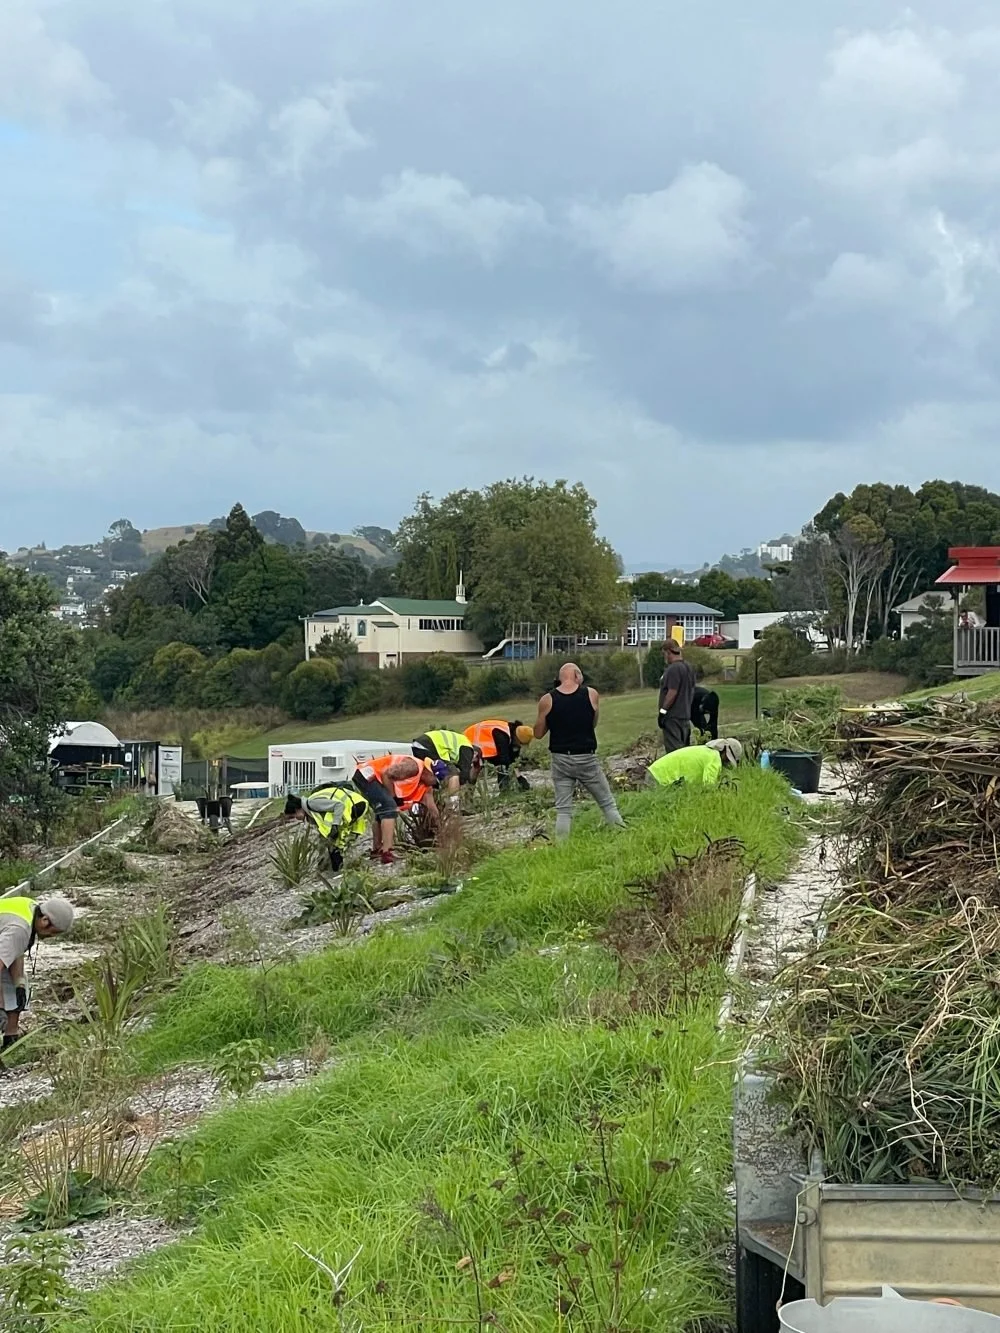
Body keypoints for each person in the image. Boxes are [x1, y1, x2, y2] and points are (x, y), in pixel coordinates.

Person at [534, 662, 624, 841]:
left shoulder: (547, 700)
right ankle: (622, 836)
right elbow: (593, 722)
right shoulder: (591, 694)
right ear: (577, 676)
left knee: (564, 810)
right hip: (586, 756)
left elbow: (538, 733)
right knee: (607, 803)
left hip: (561, 759)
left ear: (559, 678)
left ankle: (561, 850)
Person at [1, 895, 75, 1051]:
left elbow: (14, 951)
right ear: (45, 920)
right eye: (53, 933)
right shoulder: (20, 929)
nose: (51, 937)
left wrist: (19, 984)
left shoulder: (31, 908)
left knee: (18, 986)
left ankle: (11, 1037)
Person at [352, 754, 441, 863]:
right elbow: (386, 774)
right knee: (389, 809)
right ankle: (387, 853)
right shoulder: (413, 767)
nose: (434, 786)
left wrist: (440, 828)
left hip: (373, 778)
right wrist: (393, 797)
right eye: (435, 782)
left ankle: (377, 850)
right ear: (430, 774)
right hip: (367, 774)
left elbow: (431, 807)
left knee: (382, 812)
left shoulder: (425, 785)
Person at [284, 785, 370, 871]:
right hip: (355, 805)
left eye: (294, 816)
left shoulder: (312, 804)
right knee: (336, 843)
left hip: (355, 805)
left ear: (297, 809)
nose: (296, 819)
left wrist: (335, 825)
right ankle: (338, 869)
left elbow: (339, 805)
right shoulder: (311, 809)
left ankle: (338, 869)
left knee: (335, 844)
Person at [411, 729, 482, 808]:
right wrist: (462, 788)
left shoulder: (459, 744)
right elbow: (465, 773)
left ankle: (427, 806)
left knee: (430, 776)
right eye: (473, 761)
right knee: (453, 775)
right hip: (430, 745)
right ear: (475, 754)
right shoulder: (468, 748)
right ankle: (454, 806)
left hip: (417, 745)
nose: (471, 763)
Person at [463, 719, 535, 790]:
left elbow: (512, 760)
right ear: (516, 738)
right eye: (520, 743)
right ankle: (468, 793)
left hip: (479, 745)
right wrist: (518, 778)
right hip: (469, 741)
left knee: (502, 764)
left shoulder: (512, 733)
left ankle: (505, 788)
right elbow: (504, 759)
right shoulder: (502, 736)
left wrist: (520, 778)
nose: (519, 746)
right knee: (478, 767)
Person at [647, 737, 743, 788]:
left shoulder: (706, 751)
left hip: (655, 772)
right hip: (659, 778)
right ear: (725, 752)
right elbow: (708, 787)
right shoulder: (714, 758)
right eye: (728, 759)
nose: (726, 763)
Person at [658, 639, 697, 754]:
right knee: (684, 751)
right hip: (685, 715)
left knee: (674, 753)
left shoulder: (673, 669)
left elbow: (672, 692)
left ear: (668, 652)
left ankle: (678, 772)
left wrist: (663, 712)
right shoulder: (688, 667)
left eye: (664, 654)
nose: (664, 657)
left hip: (673, 717)